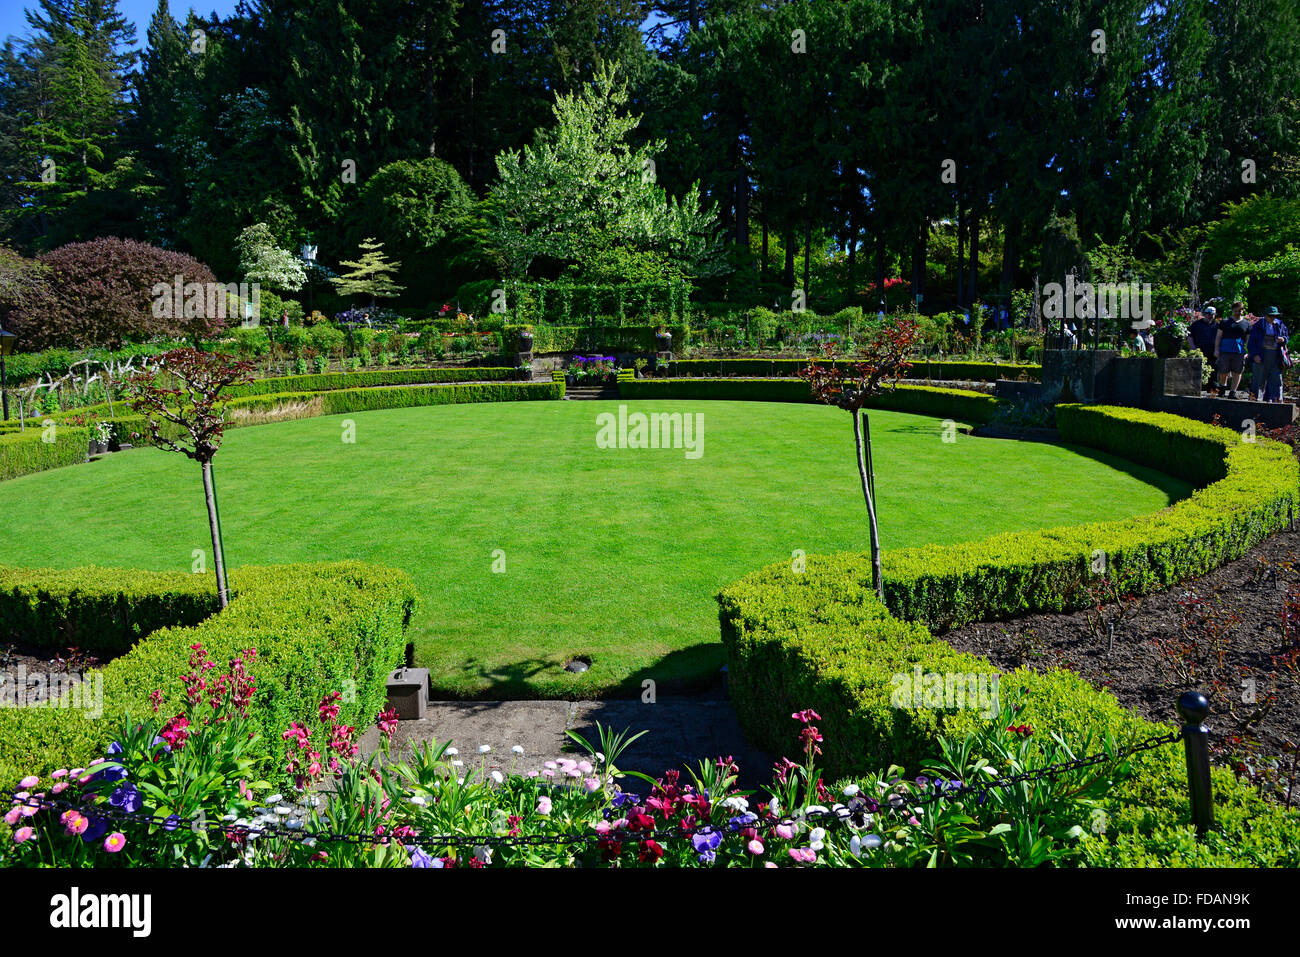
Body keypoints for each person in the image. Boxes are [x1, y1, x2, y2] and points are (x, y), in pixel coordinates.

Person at [1248, 306, 1290, 402]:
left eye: (1274, 316)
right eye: (1270, 316)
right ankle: (1255, 399)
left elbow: (1286, 336)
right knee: (1258, 378)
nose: (1272, 318)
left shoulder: (1280, 324)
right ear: (1265, 315)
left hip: (1276, 355)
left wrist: (1283, 339)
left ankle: (1276, 400)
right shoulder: (1258, 325)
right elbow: (1251, 342)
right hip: (1261, 354)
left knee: (1276, 378)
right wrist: (1255, 355)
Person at [1214, 301, 1251, 397]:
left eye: (1239, 310)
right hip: (1225, 349)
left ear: (1242, 310)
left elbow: (1248, 339)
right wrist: (1216, 349)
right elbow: (1218, 336)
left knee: (1237, 371)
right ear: (1232, 310)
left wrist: (1248, 352)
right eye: (1235, 311)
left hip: (1239, 351)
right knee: (1223, 371)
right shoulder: (1225, 322)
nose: (1237, 312)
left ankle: (1233, 392)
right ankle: (1223, 387)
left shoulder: (1246, 324)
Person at [1190, 307, 1219, 393]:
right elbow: (1190, 336)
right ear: (1204, 314)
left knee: (1214, 372)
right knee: (1198, 371)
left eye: (1212, 314)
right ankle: (1197, 389)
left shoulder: (1217, 325)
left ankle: (1213, 390)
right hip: (1199, 352)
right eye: (1208, 314)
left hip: (1213, 353)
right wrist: (1192, 347)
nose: (1210, 316)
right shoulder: (1196, 324)